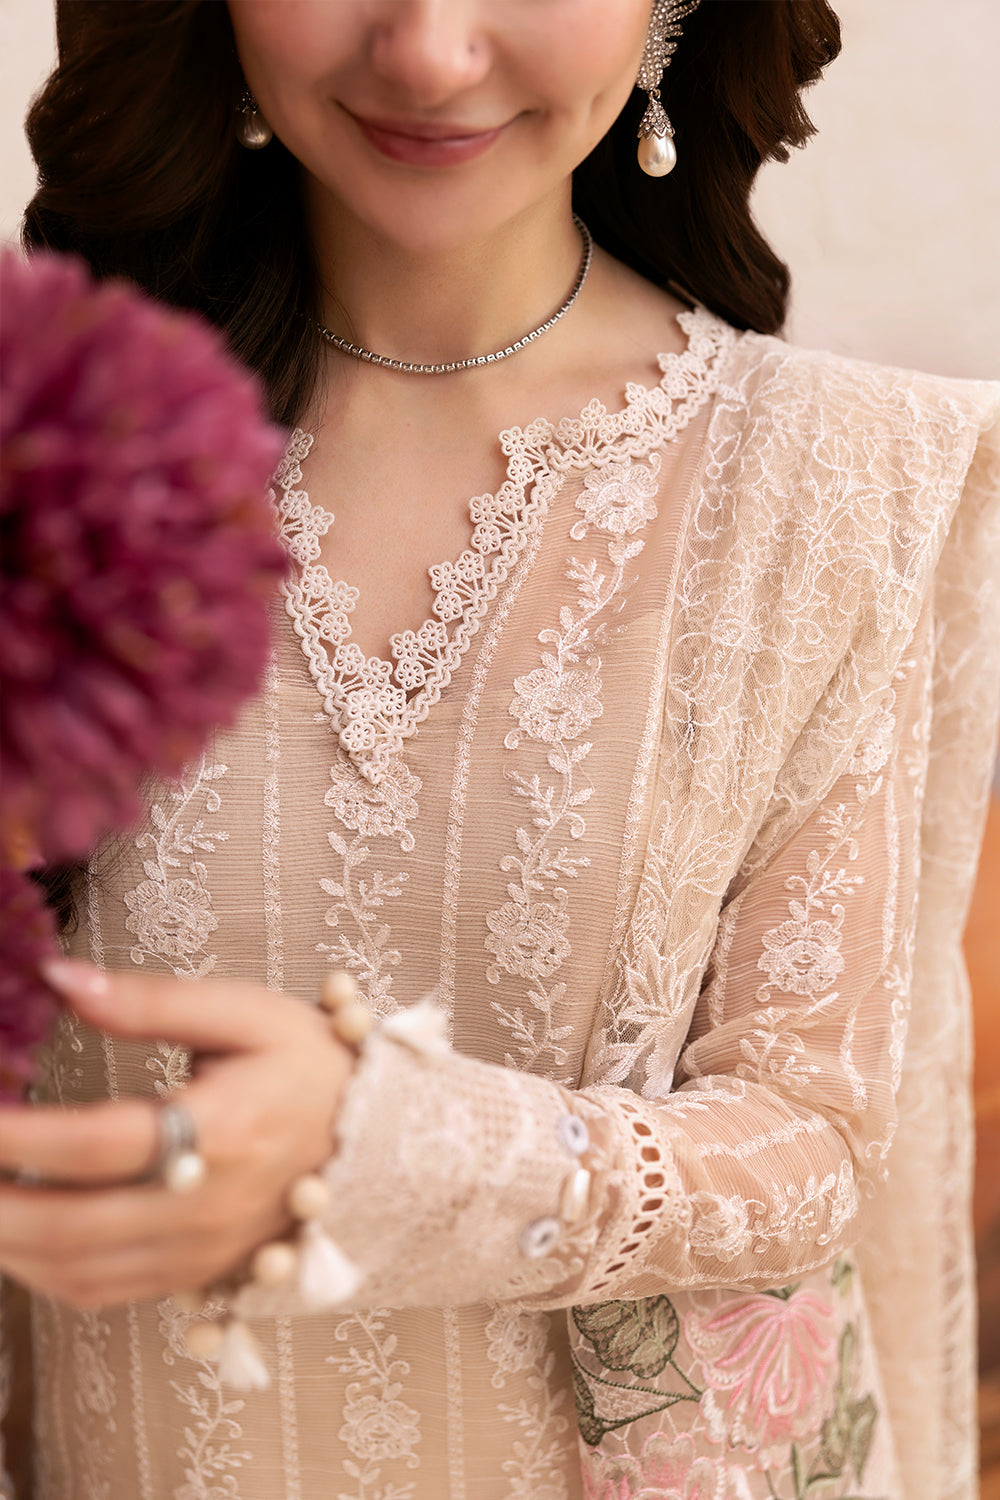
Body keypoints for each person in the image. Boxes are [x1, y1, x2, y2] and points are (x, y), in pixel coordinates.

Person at [1, 2, 998, 1497]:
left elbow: (817, 1143)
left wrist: (396, 1151)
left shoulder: (829, 486)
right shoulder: (51, 453)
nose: (429, 51)